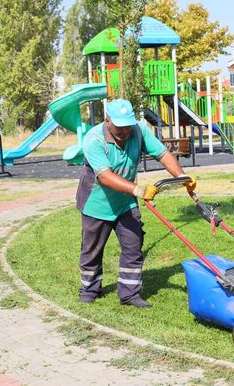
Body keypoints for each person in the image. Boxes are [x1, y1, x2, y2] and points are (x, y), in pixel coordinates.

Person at [75, 99, 196, 308]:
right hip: (96, 204)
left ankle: (129, 294)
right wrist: (137, 189)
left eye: (127, 126)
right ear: (108, 121)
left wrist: (182, 178)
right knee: (92, 250)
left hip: (125, 203)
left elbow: (163, 154)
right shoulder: (94, 139)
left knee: (133, 245)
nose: (124, 132)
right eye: (119, 127)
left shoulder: (138, 130)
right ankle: (89, 289)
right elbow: (104, 176)